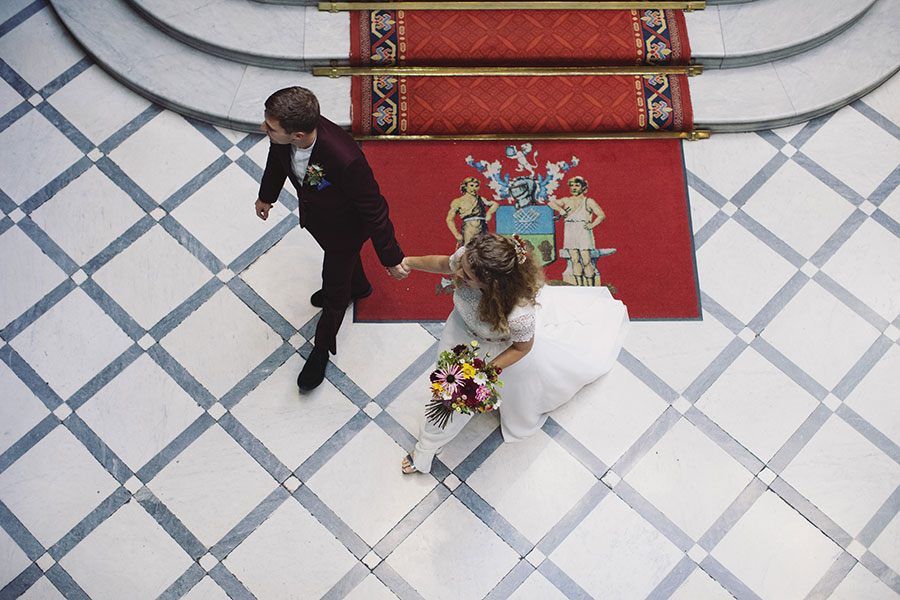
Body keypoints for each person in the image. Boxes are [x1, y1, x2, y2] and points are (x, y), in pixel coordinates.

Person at [399, 233, 629, 474]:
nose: (457, 275)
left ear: (493, 284)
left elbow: (522, 348)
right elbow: (444, 263)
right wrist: (409, 262)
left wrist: (482, 374)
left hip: (488, 351)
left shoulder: (519, 315)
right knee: (444, 384)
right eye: (461, 267)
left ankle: (425, 449)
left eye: (467, 276)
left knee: (452, 400)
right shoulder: (470, 258)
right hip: (458, 332)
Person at [254, 86, 409, 393]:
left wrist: (391, 257)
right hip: (321, 221)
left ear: (297, 135)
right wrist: (266, 196)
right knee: (346, 273)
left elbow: (374, 208)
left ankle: (322, 349)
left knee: (334, 292)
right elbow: (277, 159)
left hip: (345, 231)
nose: (263, 129)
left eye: (270, 127)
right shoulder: (285, 138)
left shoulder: (345, 158)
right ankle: (360, 287)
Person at [548, 176, 606, 286]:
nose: (574, 188)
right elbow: (551, 203)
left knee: (586, 260)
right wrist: (561, 210)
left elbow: (601, 215)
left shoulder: (588, 201)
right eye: (572, 185)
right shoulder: (567, 200)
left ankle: (590, 286)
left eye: (577, 185)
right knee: (574, 259)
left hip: (583, 231)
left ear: (583, 187)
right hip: (570, 230)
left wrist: (592, 225)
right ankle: (579, 285)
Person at [445, 177, 500, 246]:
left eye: (476, 186)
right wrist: (456, 234)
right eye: (471, 185)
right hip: (469, 229)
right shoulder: (457, 201)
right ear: (465, 187)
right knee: (469, 248)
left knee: (484, 249)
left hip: (482, 228)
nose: (474, 188)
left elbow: (495, 204)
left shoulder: (480, 199)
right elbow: (449, 219)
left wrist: (489, 213)